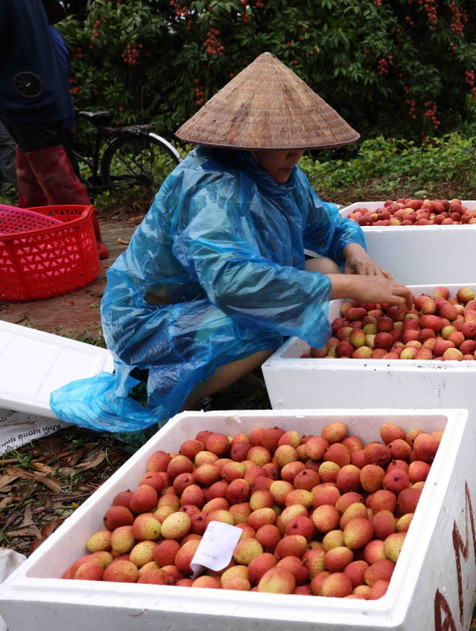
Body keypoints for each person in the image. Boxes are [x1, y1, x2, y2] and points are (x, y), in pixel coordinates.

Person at [50, 52, 413, 432]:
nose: (297, 153)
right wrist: (353, 285)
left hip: (205, 298)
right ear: (248, 143)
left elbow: (326, 225)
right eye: (284, 143)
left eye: (301, 143)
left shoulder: (282, 175)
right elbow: (233, 283)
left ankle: (230, 373)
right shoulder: (211, 188)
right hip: (150, 319)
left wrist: (353, 252)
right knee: (277, 315)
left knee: (324, 268)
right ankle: (169, 411)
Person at [0, 0, 109, 258]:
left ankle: (91, 243)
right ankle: (33, 237)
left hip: (24, 93)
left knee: (52, 170)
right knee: (28, 167)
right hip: (36, 90)